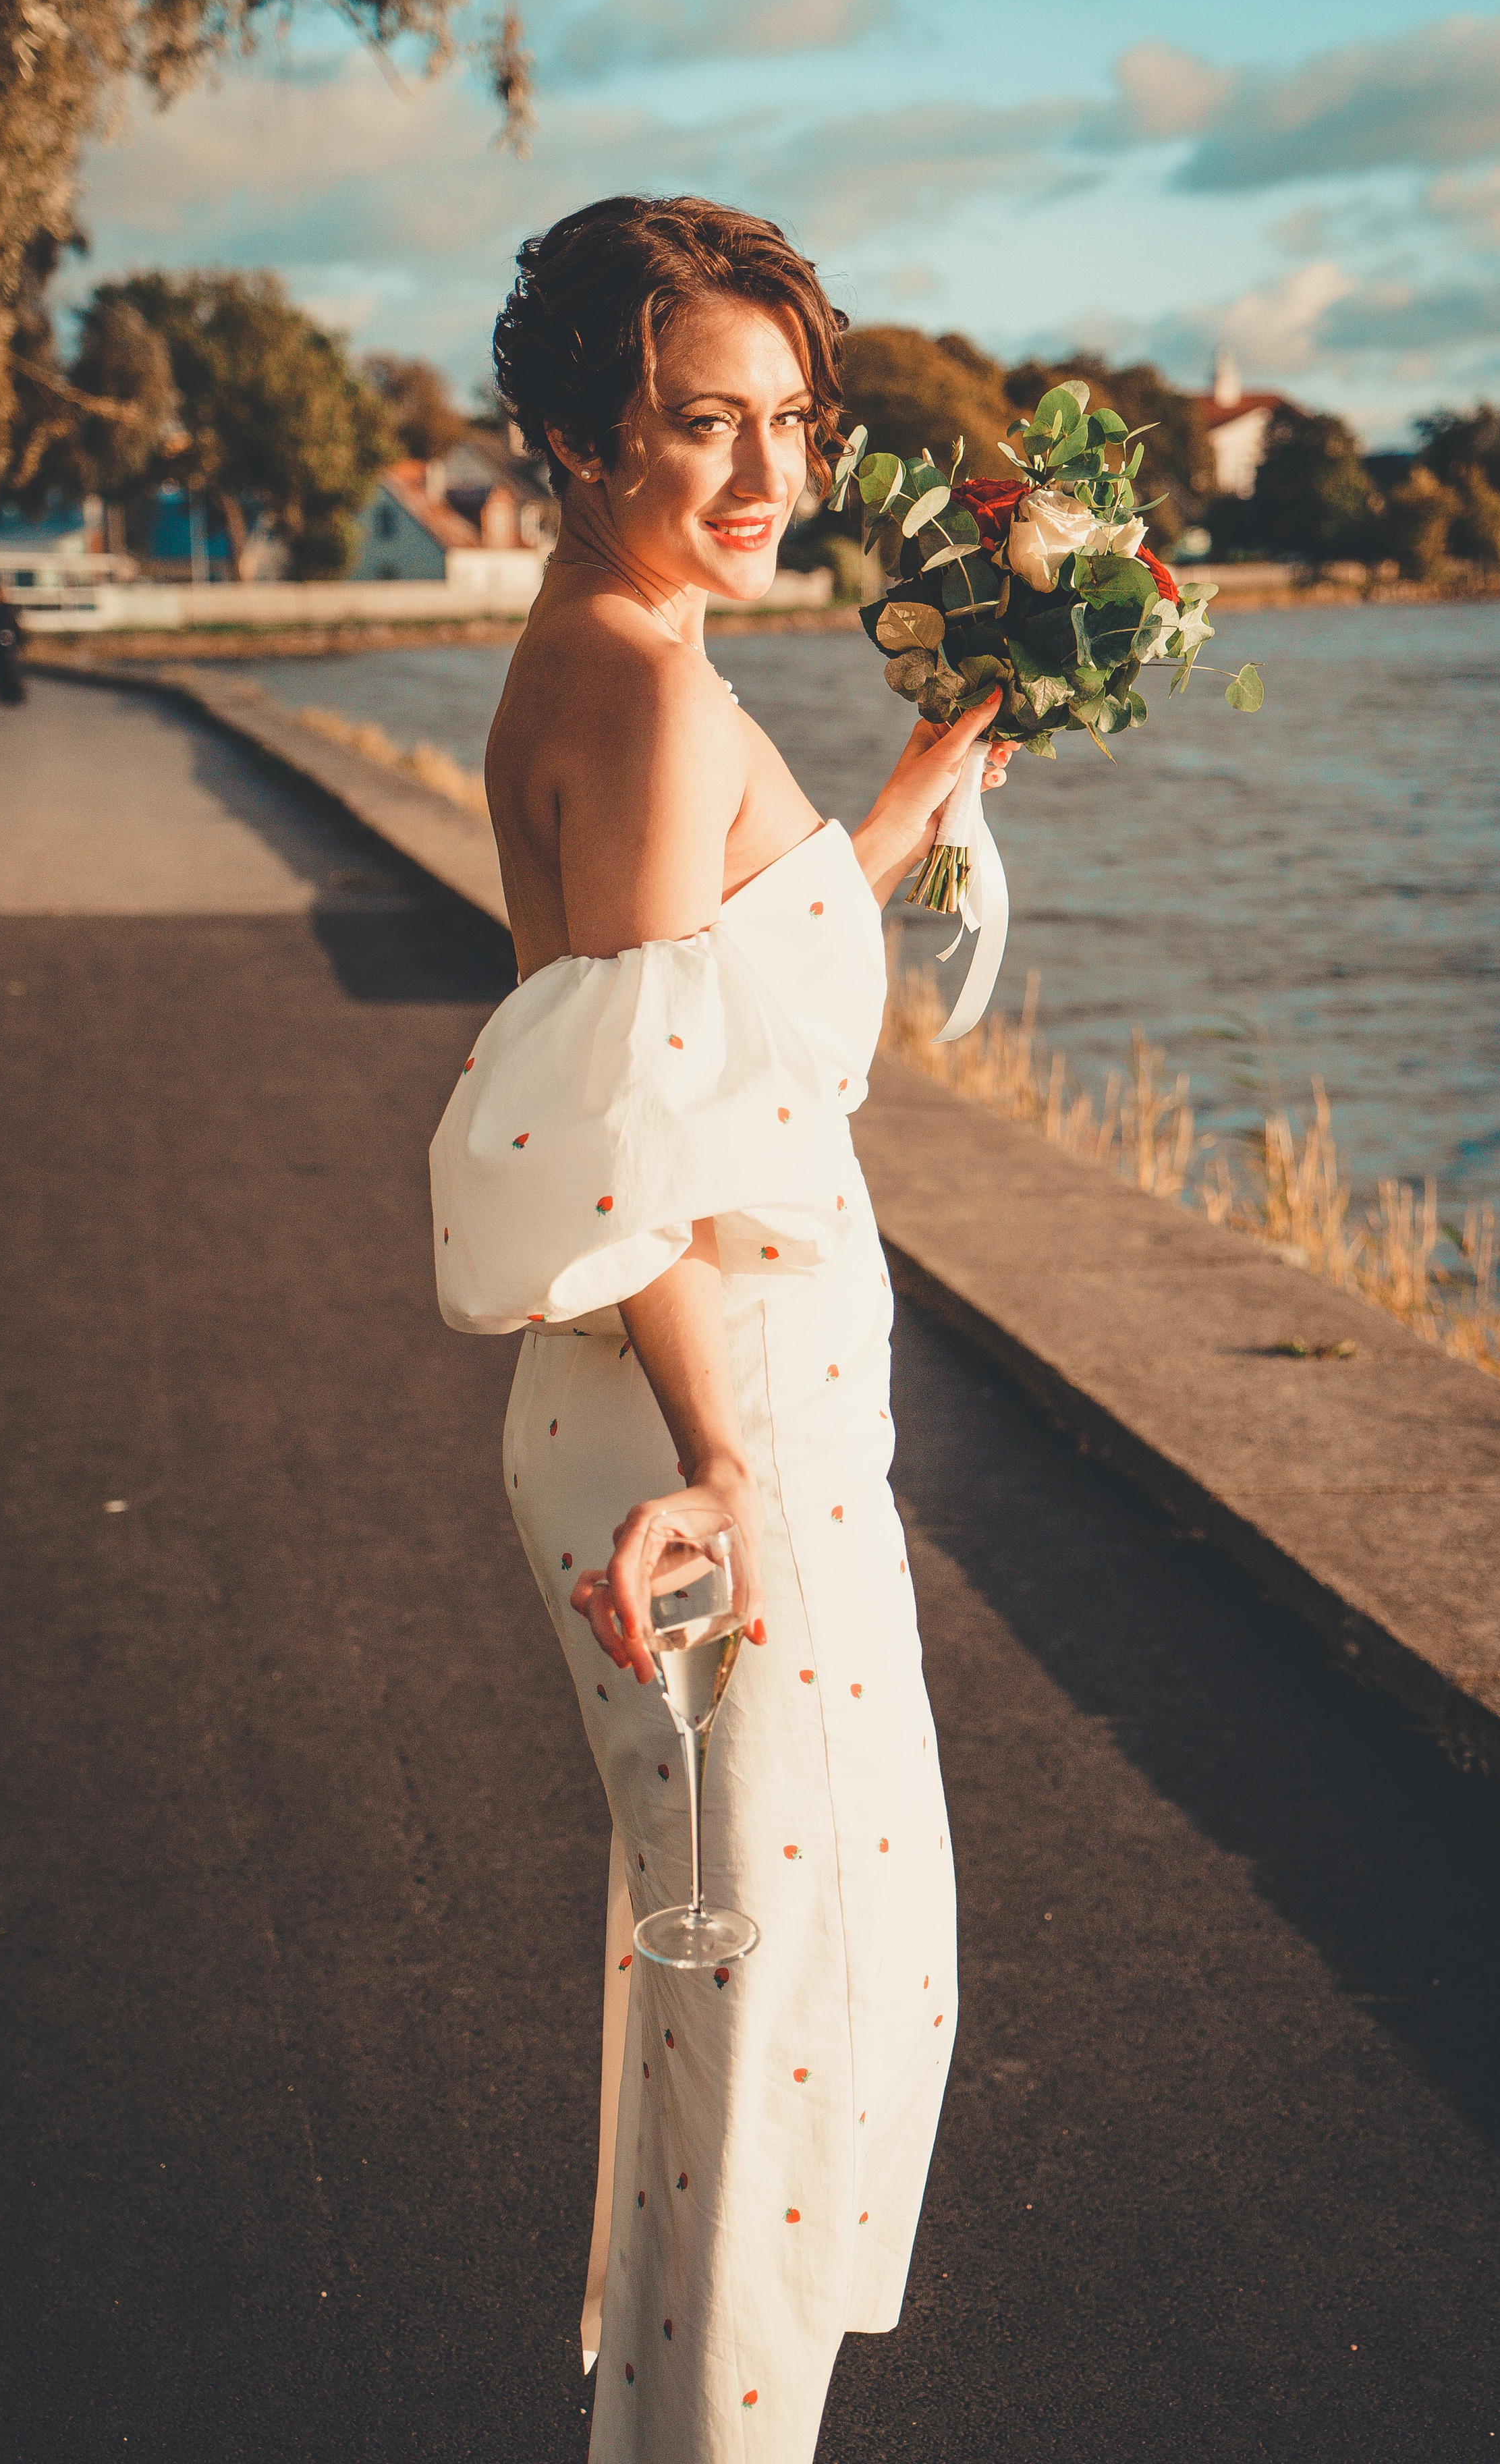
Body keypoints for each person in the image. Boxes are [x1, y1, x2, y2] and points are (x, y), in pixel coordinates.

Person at [428, 196, 1016, 2464]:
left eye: (790, 422)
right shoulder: (648, 691)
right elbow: (622, 1156)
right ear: (579, 429)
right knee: (772, 2009)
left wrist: (891, 817)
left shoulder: (616, 648)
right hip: (714, 1420)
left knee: (761, 1991)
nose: (763, 478)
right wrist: (731, 1476)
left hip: (720, 1404)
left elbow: (677, 1007)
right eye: (701, 424)